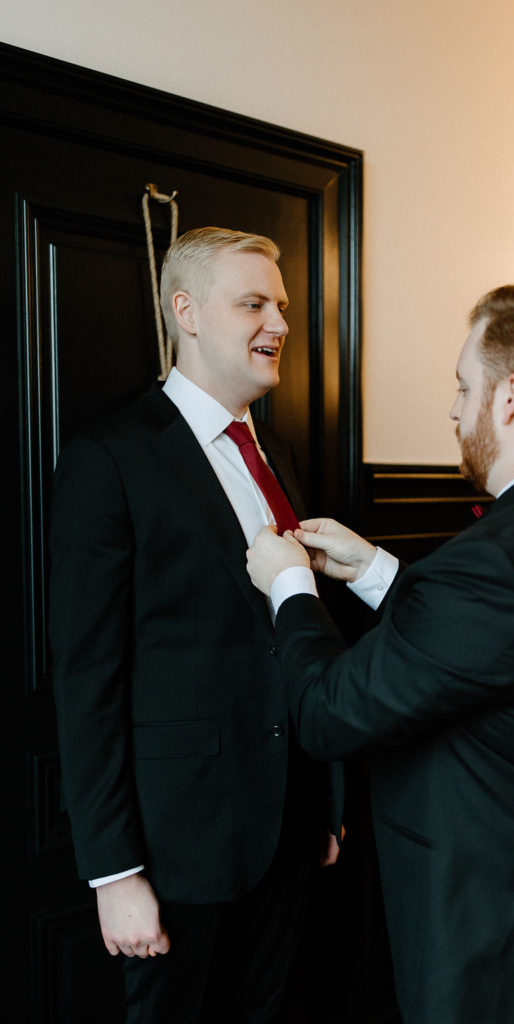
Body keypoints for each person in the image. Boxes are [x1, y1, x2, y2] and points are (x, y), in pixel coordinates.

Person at [246, 280, 514, 1024]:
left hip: (501, 939)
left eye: (461, 385)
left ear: (509, 395)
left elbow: (326, 711)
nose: (451, 408)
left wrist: (291, 591)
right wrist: (379, 572)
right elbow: (511, 644)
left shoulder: (499, 560)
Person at [49, 226, 340, 1023]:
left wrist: (319, 807)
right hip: (176, 854)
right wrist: (114, 874)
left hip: (285, 836)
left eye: (279, 306)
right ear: (186, 311)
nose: (278, 325)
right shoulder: (108, 460)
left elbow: (289, 636)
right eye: (252, 303)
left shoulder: (274, 449)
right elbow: (86, 680)